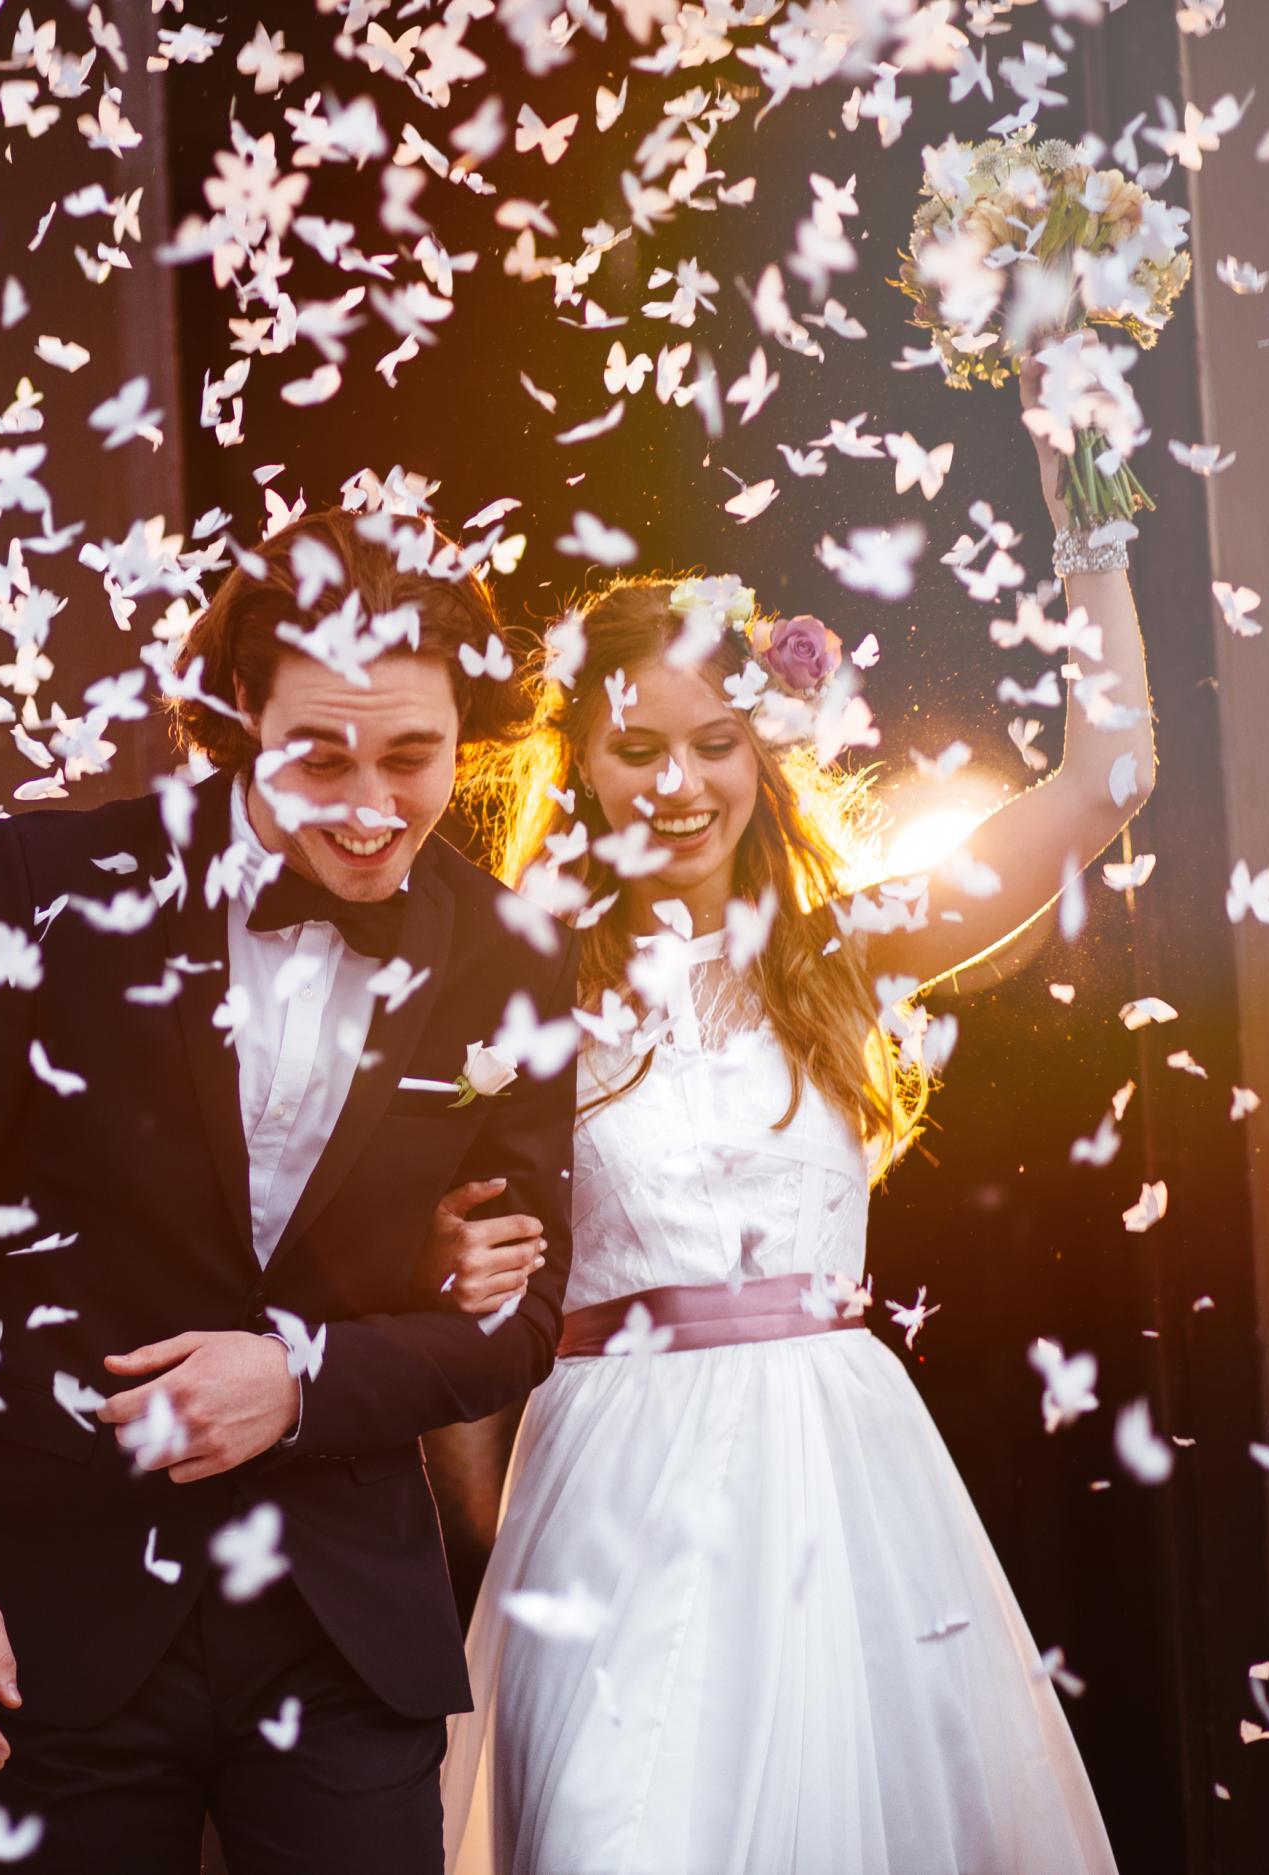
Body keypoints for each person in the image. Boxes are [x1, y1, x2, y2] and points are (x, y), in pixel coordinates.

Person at [0, 501, 575, 1872]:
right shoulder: (40, 882)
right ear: (232, 712)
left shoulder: (512, 955)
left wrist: (305, 1375)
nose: (371, 805)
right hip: (58, 1616)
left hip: (346, 1625)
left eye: (413, 756)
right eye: (318, 755)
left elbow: (520, 1314)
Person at [438, 369, 1139, 1873]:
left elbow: (1106, 782)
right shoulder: (513, 990)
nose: (679, 784)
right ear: (582, 764)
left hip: (832, 1467)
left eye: (714, 744)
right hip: (605, 1487)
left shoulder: (845, 952)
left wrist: (1084, 481)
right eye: (638, 748)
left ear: (761, 753)